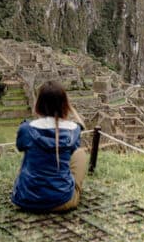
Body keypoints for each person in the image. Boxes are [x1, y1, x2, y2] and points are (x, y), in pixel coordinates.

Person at [11, 80, 87, 212]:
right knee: (80, 154)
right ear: (64, 105)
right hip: (62, 201)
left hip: (25, 199)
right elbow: (73, 148)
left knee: (30, 155)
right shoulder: (73, 131)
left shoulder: (26, 129)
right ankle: (67, 187)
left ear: (38, 104)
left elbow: (20, 146)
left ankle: (33, 186)